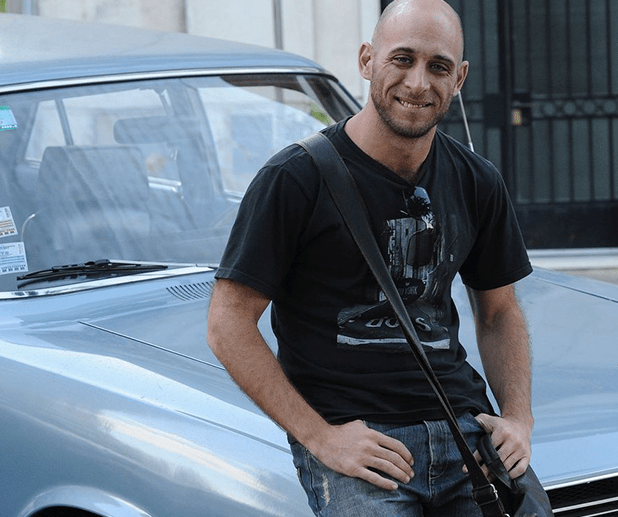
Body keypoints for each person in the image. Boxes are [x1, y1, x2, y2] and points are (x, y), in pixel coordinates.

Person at [207, 0, 534, 514]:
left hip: (464, 432)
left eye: (438, 66)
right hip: (360, 447)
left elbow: (499, 312)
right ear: (367, 60)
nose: (418, 83)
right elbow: (227, 323)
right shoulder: (294, 179)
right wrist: (320, 437)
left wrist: (518, 418)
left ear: (460, 78)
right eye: (402, 59)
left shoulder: (477, 181)